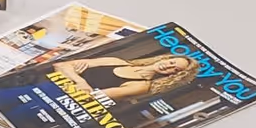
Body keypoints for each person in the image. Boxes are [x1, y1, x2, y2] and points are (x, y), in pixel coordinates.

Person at [55, 54, 197, 101]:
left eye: (175, 69)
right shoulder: (115, 61)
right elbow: (61, 65)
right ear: (165, 58)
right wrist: (80, 81)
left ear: (173, 75)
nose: (169, 66)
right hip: (42, 86)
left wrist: (72, 74)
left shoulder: (140, 86)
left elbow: (89, 97)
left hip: (57, 101)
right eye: (171, 62)